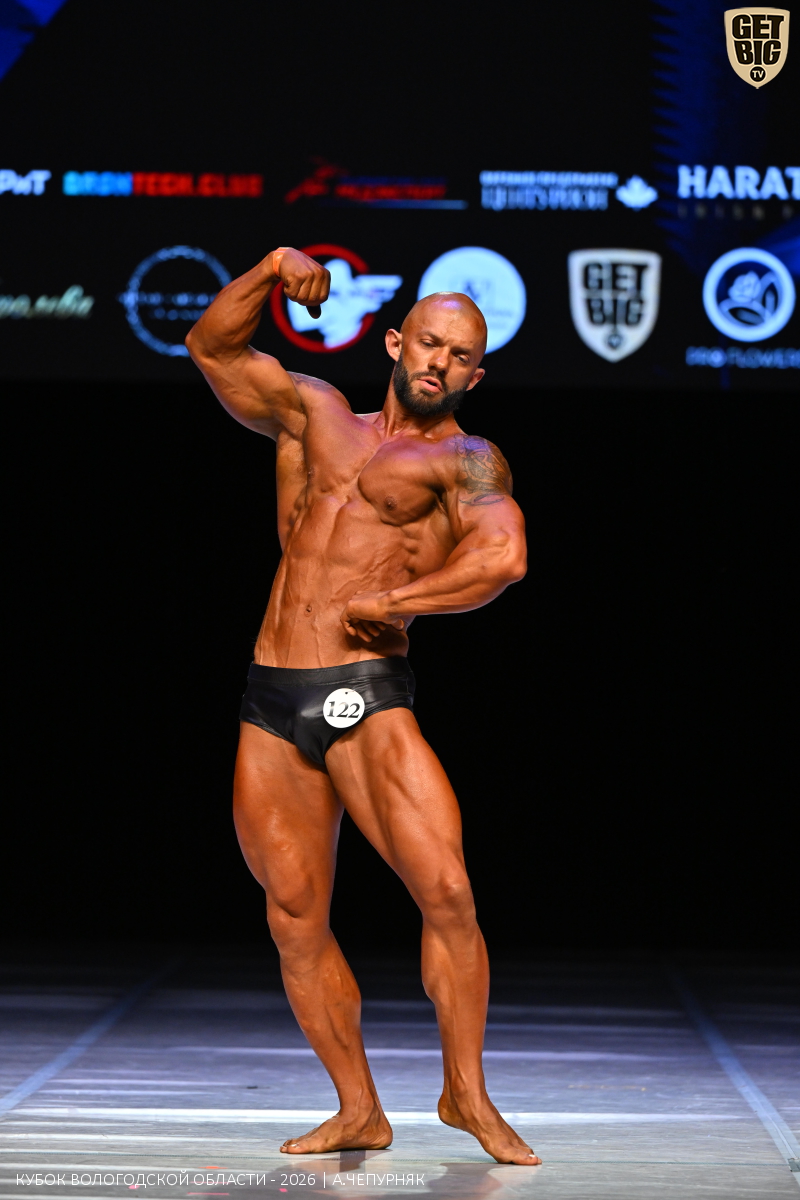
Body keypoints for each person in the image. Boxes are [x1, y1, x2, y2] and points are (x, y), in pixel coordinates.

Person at [186, 247, 538, 1166]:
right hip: (272, 696)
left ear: (475, 375)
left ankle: (466, 1094)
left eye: (460, 356)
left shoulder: (466, 459)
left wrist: (397, 601)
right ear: (394, 342)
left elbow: (503, 557)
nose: (439, 363)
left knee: (447, 893)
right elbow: (212, 348)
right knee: (293, 915)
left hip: (365, 689)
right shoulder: (314, 415)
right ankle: (358, 1110)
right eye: (428, 343)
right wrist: (271, 268)